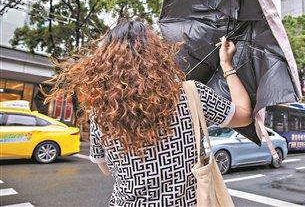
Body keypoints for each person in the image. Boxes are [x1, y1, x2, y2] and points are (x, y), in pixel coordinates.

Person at [46, 20, 252, 206]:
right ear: (156, 55)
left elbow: (106, 169)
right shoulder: (191, 94)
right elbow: (244, 116)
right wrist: (227, 65)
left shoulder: (101, 113)